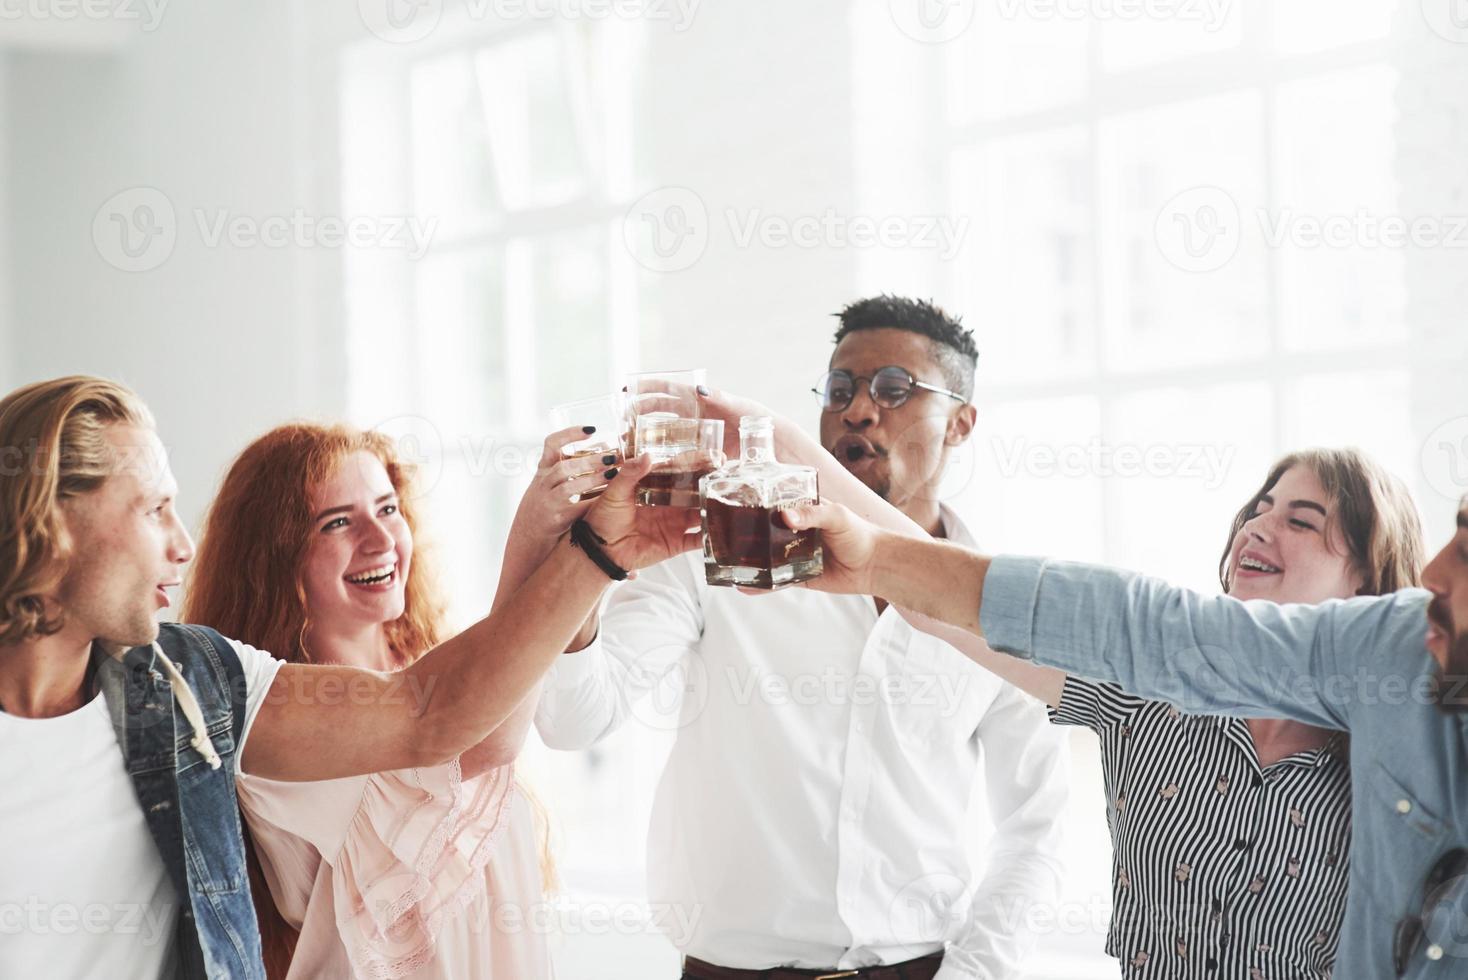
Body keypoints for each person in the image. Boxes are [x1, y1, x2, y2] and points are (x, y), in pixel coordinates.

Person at [0, 375, 696, 980]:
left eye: (388, 508)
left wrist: (591, 550)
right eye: (152, 510)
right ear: (51, 526)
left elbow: (434, 718)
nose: (180, 544)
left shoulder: (198, 683)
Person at [774, 451, 1468, 980]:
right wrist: (788, 450)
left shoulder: (1399, 746)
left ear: (1370, 585)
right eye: (1260, 507)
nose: (1258, 526)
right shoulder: (1146, 694)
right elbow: (948, 603)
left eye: (1300, 519)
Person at [534, 297, 1069, 980]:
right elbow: (570, 719)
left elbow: (1035, 826)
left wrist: (973, 976)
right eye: (840, 389)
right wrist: (591, 564)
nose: (858, 410)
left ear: (961, 422)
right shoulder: (715, 554)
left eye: (894, 389)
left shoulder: (1003, 607)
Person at [184, 422, 620, 978]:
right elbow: (481, 741)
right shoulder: (275, 718)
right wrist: (552, 540)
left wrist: (579, 539)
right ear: (274, 557)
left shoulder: (443, 673)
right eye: (337, 522)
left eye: (388, 509)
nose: (380, 540)